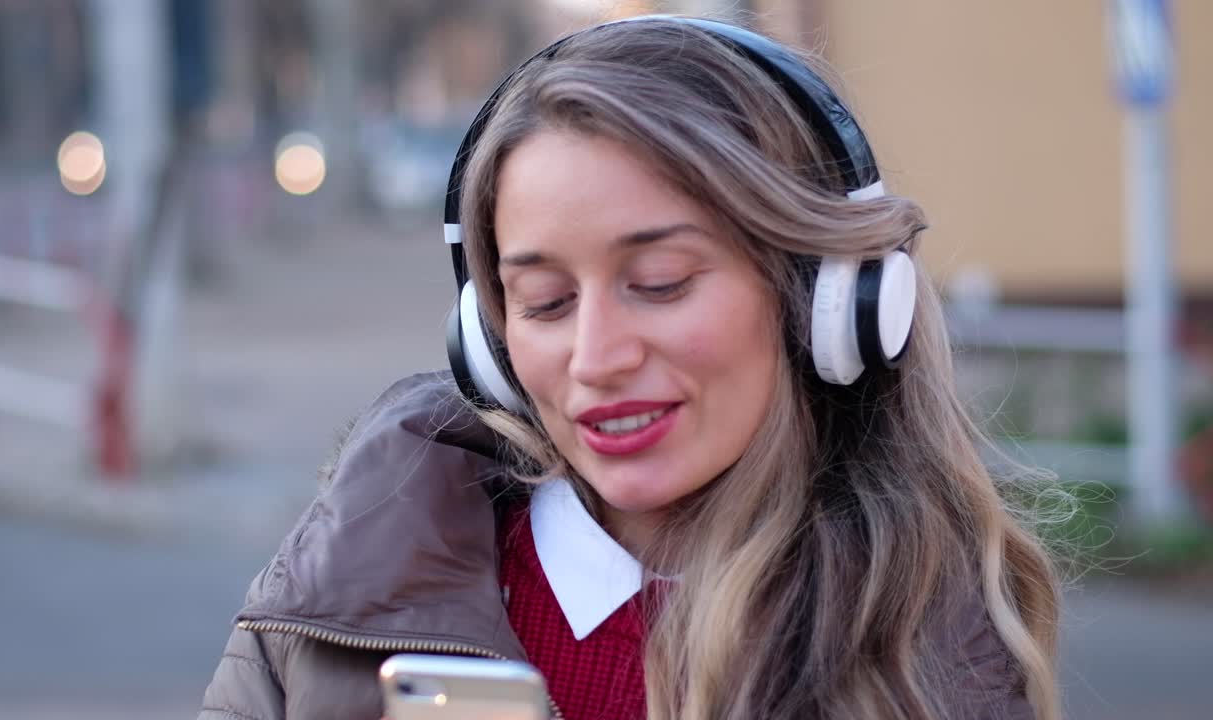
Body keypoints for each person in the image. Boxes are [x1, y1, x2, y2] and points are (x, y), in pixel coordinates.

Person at [199, 16, 1060, 720]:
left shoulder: (931, 644)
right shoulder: (338, 589)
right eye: (545, 301)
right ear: (487, 342)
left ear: (823, 299)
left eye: (660, 283)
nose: (597, 359)